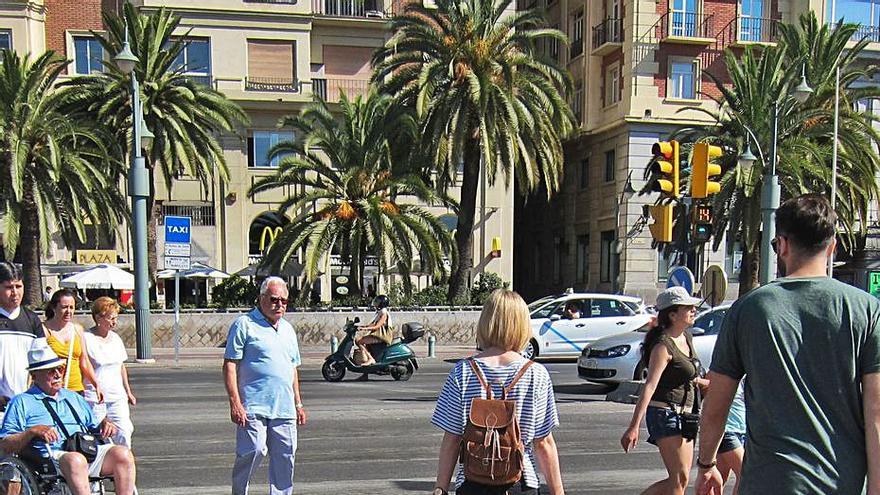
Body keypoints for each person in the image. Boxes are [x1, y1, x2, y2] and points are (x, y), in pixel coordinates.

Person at [696, 193, 880, 495]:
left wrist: (707, 464)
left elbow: (717, 404)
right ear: (831, 247)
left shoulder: (748, 309)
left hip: (769, 483)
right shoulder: (866, 310)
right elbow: (876, 411)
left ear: (781, 245)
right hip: (842, 483)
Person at [431, 289, 564, 495]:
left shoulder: (463, 371)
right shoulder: (536, 374)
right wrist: (558, 493)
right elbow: (543, 443)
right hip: (521, 482)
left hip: (472, 482)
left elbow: (452, 439)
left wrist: (441, 487)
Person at [0, 338, 136, 495]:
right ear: (35, 375)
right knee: (75, 460)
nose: (58, 374)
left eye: (60, 369)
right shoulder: (22, 402)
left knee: (122, 454)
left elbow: (94, 426)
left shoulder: (73, 397)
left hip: (84, 448)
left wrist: (105, 424)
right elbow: (6, 443)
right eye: (51, 371)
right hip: (52, 456)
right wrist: (32, 431)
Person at [619, 286, 708, 495]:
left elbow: (686, 375)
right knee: (678, 481)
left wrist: (703, 383)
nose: (694, 311)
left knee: (682, 479)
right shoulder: (662, 346)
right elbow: (650, 386)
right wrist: (634, 427)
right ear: (673, 314)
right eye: (688, 308)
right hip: (665, 413)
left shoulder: (686, 337)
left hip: (687, 416)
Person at [223, 276, 307, 495]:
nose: (279, 305)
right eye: (274, 299)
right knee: (253, 450)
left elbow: (292, 368)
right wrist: (235, 403)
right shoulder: (244, 324)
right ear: (261, 299)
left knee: (286, 456)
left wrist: (298, 404)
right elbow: (230, 364)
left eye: (284, 301)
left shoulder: (288, 329)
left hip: (284, 407)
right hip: (253, 405)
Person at [84, 297, 136, 447]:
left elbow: (121, 366)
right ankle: (103, 465)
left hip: (116, 396)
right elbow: (84, 366)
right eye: (111, 318)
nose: (114, 322)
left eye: (116, 318)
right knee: (101, 435)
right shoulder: (87, 338)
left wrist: (128, 391)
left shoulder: (116, 339)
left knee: (124, 431)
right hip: (95, 397)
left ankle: (123, 464)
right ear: (98, 317)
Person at [0, 262, 44, 416]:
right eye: (8, 287)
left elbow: (41, 361)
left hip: (27, 404)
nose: (14, 293)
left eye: (18, 286)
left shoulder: (32, 320)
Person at [43, 289, 102, 400]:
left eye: (71, 307)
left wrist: (96, 384)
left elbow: (84, 361)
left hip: (76, 390)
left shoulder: (77, 330)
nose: (68, 311)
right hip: (51, 390)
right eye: (64, 307)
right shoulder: (44, 330)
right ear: (54, 307)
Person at [715, 380, 745, 495]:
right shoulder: (721, 372)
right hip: (727, 430)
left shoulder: (747, 375)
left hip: (742, 429)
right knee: (744, 473)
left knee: (720, 477)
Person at [354, 294, 393, 367]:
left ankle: (371, 359)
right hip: (378, 335)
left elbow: (377, 326)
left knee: (359, 340)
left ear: (382, 304)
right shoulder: (380, 312)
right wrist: (361, 326)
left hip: (382, 337)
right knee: (363, 343)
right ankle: (364, 372)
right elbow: (372, 324)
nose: (376, 303)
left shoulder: (384, 314)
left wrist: (364, 329)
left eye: (378, 302)